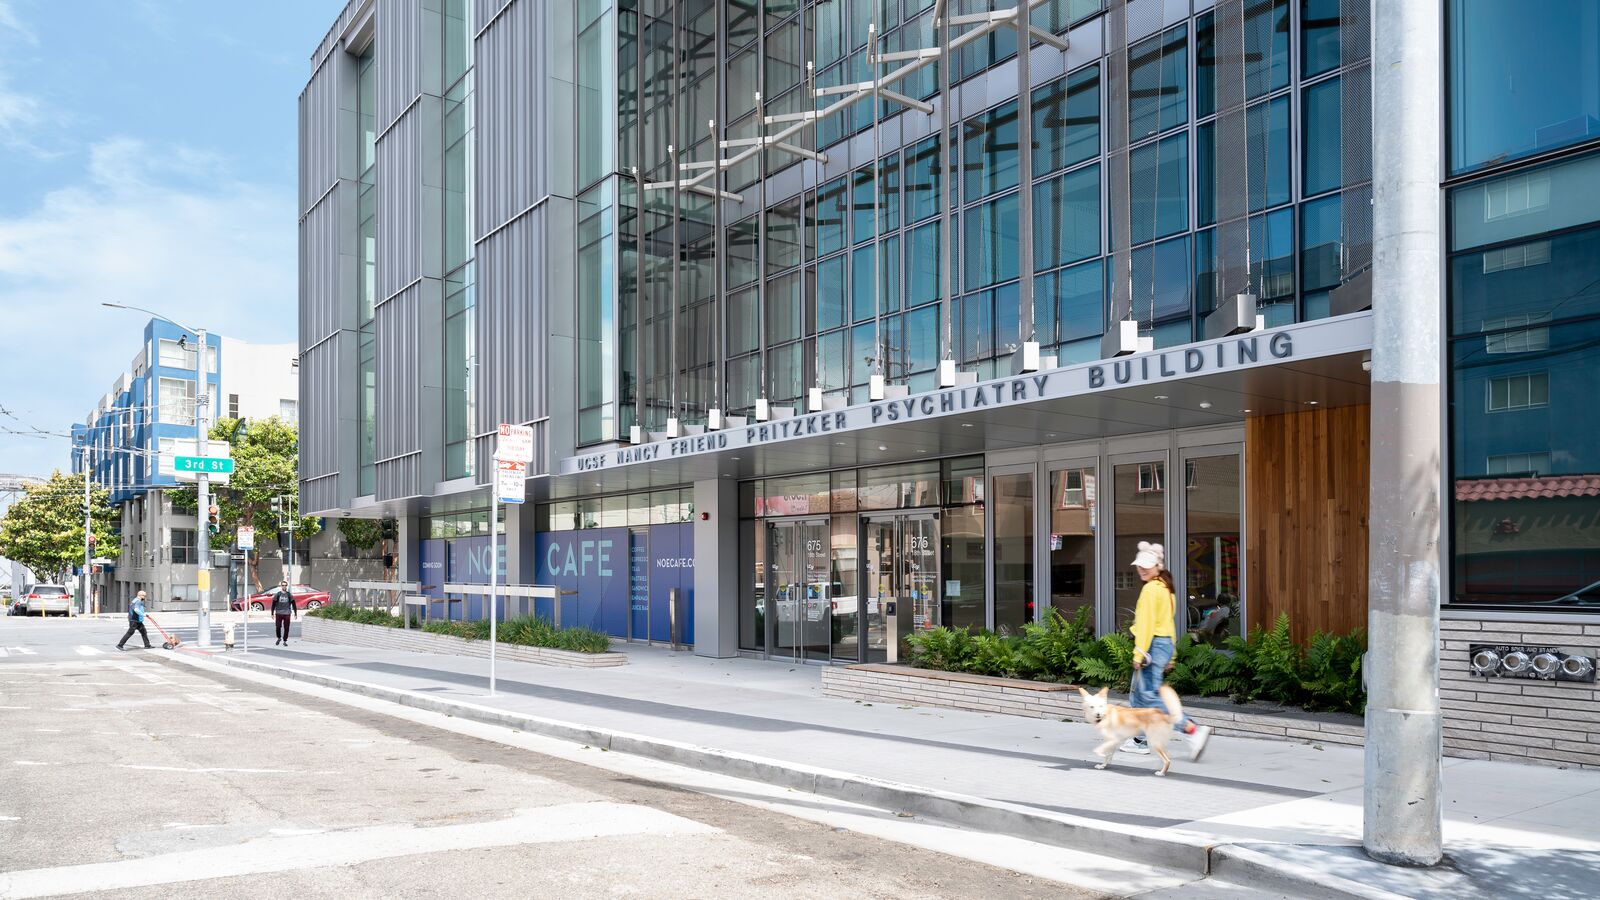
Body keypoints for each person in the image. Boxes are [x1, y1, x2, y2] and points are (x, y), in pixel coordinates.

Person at [1124, 542, 1213, 761]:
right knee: (1138, 694)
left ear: (1158, 566)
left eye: (1147, 565)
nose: (1142, 569)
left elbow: (1146, 625)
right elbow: (1168, 624)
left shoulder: (1150, 590)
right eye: (1139, 565)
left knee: (1149, 696)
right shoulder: (1166, 588)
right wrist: (1171, 655)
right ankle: (1141, 739)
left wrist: (1139, 654)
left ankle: (1191, 729)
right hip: (1162, 645)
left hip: (1151, 646)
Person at [271, 580, 297, 646]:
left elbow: (294, 604)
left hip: (287, 613)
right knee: (278, 626)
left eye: (285, 585)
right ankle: (279, 637)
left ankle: (285, 640)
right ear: (281, 586)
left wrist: (295, 613)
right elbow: (273, 604)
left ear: (286, 586)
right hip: (279, 613)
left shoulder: (289, 595)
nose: (284, 586)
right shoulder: (278, 594)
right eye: (283, 585)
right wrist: (272, 613)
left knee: (286, 627)